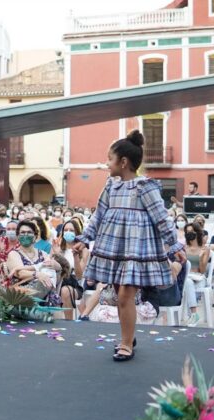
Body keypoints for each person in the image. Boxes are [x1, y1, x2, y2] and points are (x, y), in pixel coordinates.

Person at [73, 130, 185, 362]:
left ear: (123, 162)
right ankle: (128, 335)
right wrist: (84, 238)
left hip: (136, 250)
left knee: (125, 295)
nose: (106, 163)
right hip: (112, 249)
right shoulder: (110, 187)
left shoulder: (145, 187)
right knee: (119, 293)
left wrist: (174, 246)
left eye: (109, 158)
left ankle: (126, 344)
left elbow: (161, 218)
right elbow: (98, 216)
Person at [6, 220, 61, 302]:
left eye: (29, 232)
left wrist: (57, 265)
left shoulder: (42, 253)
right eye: (23, 232)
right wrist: (37, 274)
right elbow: (20, 273)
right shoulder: (13, 254)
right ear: (18, 236)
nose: (26, 235)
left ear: (35, 236)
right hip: (22, 296)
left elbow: (52, 269)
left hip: (45, 294)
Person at [54, 219, 90, 319]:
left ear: (77, 233)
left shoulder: (84, 251)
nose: (68, 232)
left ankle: (68, 322)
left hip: (75, 284)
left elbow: (79, 275)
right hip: (58, 282)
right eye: (65, 230)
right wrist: (56, 254)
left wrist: (76, 257)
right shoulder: (58, 249)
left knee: (66, 291)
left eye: (71, 230)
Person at [182, 222, 209, 327]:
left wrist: (201, 257)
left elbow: (202, 271)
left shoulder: (205, 249)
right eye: (187, 232)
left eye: (191, 232)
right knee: (188, 282)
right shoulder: (184, 248)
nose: (189, 234)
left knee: (189, 284)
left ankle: (192, 314)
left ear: (197, 233)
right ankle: (194, 314)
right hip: (187, 278)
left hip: (200, 278)